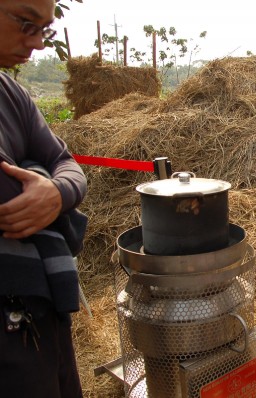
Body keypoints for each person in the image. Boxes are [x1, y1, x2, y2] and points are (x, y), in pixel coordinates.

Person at [0, 0, 87, 397]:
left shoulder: (11, 94)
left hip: (37, 304)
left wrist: (55, 190)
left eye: (44, 29)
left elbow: (64, 162)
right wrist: (37, 172)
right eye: (25, 23)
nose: (35, 43)